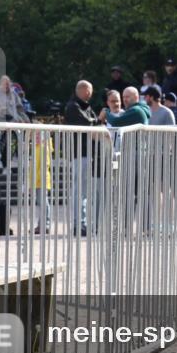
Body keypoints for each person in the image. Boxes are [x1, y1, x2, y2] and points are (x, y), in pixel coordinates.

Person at [64, 80, 101, 237]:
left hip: (88, 153)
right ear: (85, 90)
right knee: (80, 190)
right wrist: (99, 120)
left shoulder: (85, 106)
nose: (90, 94)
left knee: (84, 190)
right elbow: (87, 123)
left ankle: (82, 222)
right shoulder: (73, 106)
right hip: (80, 153)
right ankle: (79, 223)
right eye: (89, 90)